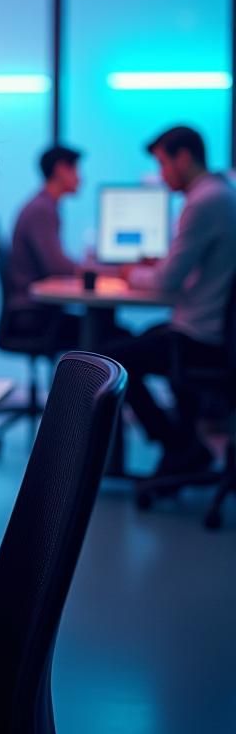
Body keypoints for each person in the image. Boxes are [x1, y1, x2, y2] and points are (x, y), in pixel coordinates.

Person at [106, 126, 236, 477]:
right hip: (214, 332)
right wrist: (158, 264)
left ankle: (178, 445)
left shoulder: (203, 202)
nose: (161, 174)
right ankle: (185, 444)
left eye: (164, 163)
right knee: (146, 336)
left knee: (113, 359)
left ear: (184, 157)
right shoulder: (221, 193)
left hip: (199, 337)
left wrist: (128, 273)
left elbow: (166, 283)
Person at [6, 144, 83, 345]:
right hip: (34, 315)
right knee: (108, 335)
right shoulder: (42, 210)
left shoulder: (44, 205)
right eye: (75, 169)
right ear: (60, 169)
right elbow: (57, 266)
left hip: (36, 310)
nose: (80, 178)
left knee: (110, 333)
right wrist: (106, 271)